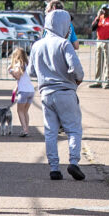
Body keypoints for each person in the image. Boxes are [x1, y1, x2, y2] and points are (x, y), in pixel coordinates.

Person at [30, 9, 87, 180]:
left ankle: (54, 168)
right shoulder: (64, 44)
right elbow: (77, 68)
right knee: (73, 129)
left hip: (46, 93)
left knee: (50, 132)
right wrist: (78, 78)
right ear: (63, 25)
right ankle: (74, 162)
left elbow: (31, 71)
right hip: (65, 91)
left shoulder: (37, 45)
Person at [7, 47, 37, 131]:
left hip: (23, 92)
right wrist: (16, 89)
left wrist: (10, 70)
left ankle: (24, 129)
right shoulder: (27, 65)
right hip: (31, 91)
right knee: (25, 111)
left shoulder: (18, 65)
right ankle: (26, 128)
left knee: (20, 111)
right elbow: (22, 79)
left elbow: (18, 75)